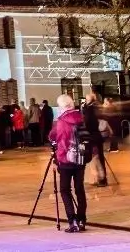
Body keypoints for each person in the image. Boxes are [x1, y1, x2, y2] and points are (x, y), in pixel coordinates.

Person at [49, 94, 88, 233]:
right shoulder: (81, 118)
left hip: (66, 160)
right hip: (80, 159)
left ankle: (73, 221)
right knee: (79, 189)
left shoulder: (61, 121)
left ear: (62, 107)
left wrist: (56, 159)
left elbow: (57, 140)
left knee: (65, 190)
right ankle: (82, 220)